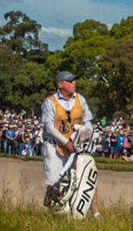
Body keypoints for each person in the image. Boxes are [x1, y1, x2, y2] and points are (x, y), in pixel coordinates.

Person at [39, 71, 95, 207]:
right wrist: (65, 142)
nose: (73, 83)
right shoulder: (50, 102)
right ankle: (54, 209)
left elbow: (87, 121)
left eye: (74, 81)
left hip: (76, 147)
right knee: (54, 182)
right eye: (70, 81)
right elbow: (49, 127)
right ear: (60, 84)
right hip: (54, 147)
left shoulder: (80, 99)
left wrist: (85, 133)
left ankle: (90, 211)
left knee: (80, 180)